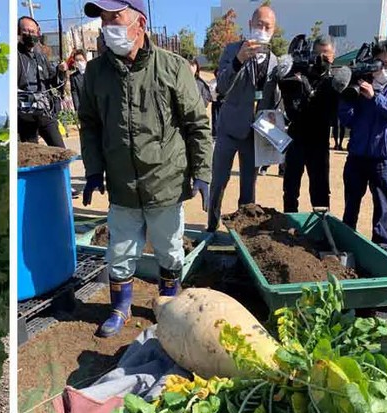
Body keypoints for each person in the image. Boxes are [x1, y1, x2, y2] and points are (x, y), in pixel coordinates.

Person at [78, 0, 212, 338]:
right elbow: (90, 125)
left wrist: (203, 173)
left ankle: (168, 303)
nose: (109, 26)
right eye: (104, 20)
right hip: (122, 182)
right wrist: (94, 171)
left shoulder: (172, 68)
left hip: (165, 179)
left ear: (140, 21)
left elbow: (197, 123)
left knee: (168, 247)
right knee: (120, 250)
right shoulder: (96, 73)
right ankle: (120, 307)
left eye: (115, 17)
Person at [207, 5, 280, 232]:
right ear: (250, 24)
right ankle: (211, 226)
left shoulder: (275, 61)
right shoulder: (232, 50)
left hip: (254, 134)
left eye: (267, 26)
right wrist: (238, 61)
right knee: (219, 181)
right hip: (229, 129)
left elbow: (274, 101)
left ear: (273, 30)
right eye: (258, 24)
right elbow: (222, 87)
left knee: (249, 188)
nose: (262, 29)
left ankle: (243, 232)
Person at [338, 40, 387, 255]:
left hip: (382, 157)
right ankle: (346, 239)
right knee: (352, 200)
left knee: (382, 204)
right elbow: (346, 118)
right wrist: (348, 96)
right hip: (357, 154)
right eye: (378, 63)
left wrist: (374, 97)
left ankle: (382, 245)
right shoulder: (360, 84)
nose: (383, 69)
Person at [281, 35, 338, 213]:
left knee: (320, 189)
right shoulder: (299, 74)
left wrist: (312, 93)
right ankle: (289, 223)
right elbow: (291, 109)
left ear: (333, 56)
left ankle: (322, 229)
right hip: (296, 138)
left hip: (319, 142)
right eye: (318, 54)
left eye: (326, 55)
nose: (321, 59)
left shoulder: (334, 81)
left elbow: (331, 114)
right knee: (290, 187)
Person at [17, 16, 67, 148]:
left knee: (60, 149)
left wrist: (61, 71)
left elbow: (54, 81)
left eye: (33, 31)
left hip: (44, 110)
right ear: (18, 32)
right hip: (24, 114)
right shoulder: (16, 55)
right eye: (26, 31)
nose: (30, 34)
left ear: (38, 33)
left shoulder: (41, 57)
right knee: (31, 153)